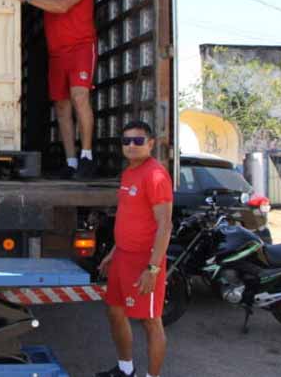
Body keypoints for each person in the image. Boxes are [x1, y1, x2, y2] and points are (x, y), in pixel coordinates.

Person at [11, 0, 97, 180]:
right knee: (61, 107)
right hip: (56, 53)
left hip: (80, 48)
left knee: (79, 97)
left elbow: (62, 5)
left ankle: (87, 157)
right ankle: (71, 161)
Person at [95, 120, 173, 377]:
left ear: (150, 144)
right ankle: (125, 369)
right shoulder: (129, 173)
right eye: (126, 141)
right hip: (123, 258)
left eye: (138, 141)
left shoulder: (155, 175)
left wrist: (152, 268)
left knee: (151, 322)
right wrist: (114, 251)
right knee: (115, 312)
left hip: (145, 260)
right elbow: (130, 217)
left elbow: (164, 225)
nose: (131, 145)